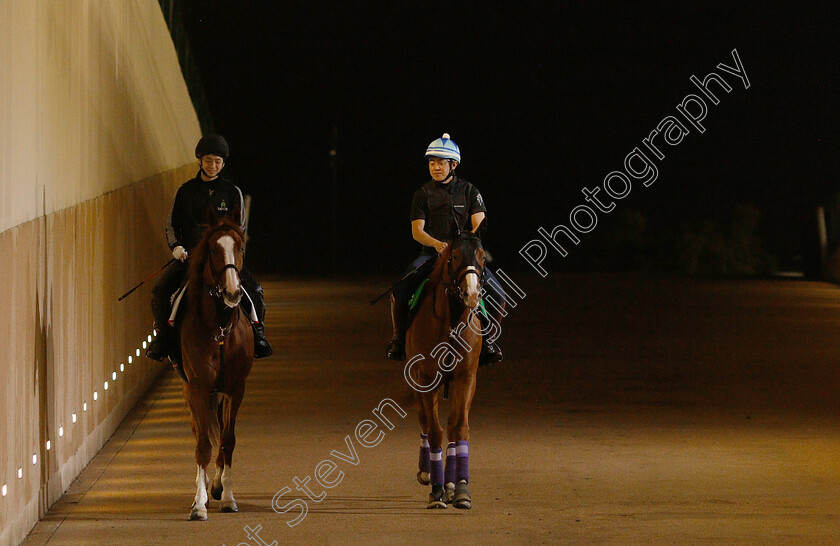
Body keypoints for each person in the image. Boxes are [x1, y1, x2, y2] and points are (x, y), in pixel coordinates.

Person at [145, 133, 273, 361]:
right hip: (191, 258)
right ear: (199, 161)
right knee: (161, 290)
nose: (212, 166)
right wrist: (176, 247)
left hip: (224, 260)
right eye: (208, 160)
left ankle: (259, 334)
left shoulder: (232, 193)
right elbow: (171, 224)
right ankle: (162, 339)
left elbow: (239, 229)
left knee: (255, 291)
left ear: (223, 164)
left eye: (217, 161)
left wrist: (232, 255)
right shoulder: (185, 191)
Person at [386, 133, 505, 365]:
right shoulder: (422, 194)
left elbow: (478, 223)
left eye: (441, 163)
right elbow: (417, 231)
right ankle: (398, 340)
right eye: (432, 163)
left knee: (499, 295)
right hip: (430, 254)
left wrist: (462, 245)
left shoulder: (470, 191)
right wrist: (436, 244)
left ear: (453, 165)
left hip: (463, 256)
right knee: (399, 292)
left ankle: (489, 342)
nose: (435, 167)